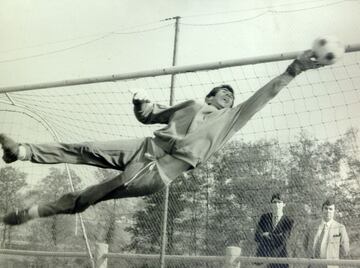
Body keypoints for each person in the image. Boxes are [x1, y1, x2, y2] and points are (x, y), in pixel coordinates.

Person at [0, 50, 322, 226]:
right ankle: (23, 151)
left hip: (161, 169)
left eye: (231, 96)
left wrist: (295, 68)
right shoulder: (192, 105)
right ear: (210, 96)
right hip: (146, 146)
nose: (228, 96)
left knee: (91, 194)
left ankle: (35, 212)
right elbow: (148, 116)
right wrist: (140, 101)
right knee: (86, 148)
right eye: (222, 92)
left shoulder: (230, 120)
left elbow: (269, 92)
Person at [303, 198, 350, 268]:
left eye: (331, 209)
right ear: (322, 210)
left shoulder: (340, 228)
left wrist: (333, 258)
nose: (328, 211)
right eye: (326, 208)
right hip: (313, 264)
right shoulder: (312, 225)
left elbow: (345, 250)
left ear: (334, 211)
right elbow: (305, 244)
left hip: (330, 265)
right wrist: (310, 257)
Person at [254, 193, 294, 268]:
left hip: (280, 259)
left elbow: (283, 239)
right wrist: (276, 236)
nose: (276, 205)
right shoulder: (264, 218)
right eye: (274, 202)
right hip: (263, 258)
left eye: (279, 202)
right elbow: (257, 236)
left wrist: (267, 235)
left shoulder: (288, 221)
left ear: (284, 204)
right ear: (271, 204)